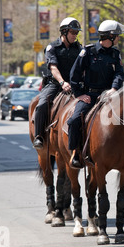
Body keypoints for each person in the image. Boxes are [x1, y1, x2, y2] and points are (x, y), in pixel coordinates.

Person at [67, 20, 124, 168]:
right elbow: (74, 74)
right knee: (74, 120)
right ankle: (76, 152)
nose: (118, 38)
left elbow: (119, 74)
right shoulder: (88, 51)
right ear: (110, 36)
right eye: (117, 35)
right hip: (90, 96)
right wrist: (79, 94)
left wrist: (114, 88)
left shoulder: (115, 53)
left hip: (110, 95)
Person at [32, 17, 82, 149]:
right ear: (64, 32)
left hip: (74, 84)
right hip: (55, 83)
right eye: (72, 32)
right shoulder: (52, 47)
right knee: (42, 104)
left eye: (77, 33)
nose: (75, 35)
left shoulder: (79, 48)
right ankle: (39, 136)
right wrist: (62, 82)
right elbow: (53, 67)